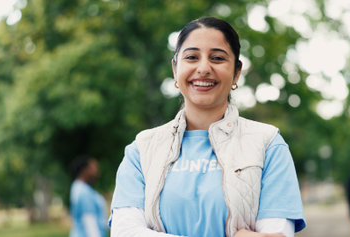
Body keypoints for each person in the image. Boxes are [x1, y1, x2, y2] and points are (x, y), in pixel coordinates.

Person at [109, 17, 305, 237]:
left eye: (218, 58)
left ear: (236, 72)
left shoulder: (269, 144)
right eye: (192, 57)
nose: (203, 68)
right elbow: (125, 232)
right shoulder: (141, 150)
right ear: (175, 69)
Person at [69, 155, 107, 237]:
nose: (97, 171)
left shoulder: (77, 187)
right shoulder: (84, 192)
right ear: (84, 170)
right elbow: (89, 221)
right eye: (93, 167)